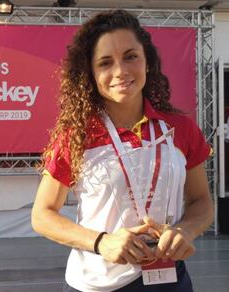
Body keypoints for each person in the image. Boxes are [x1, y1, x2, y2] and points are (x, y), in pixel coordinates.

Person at [31, 9, 214, 292]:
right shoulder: (77, 135)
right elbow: (42, 215)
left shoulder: (181, 128)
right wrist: (102, 241)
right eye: (105, 63)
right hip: (97, 283)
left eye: (131, 56)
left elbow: (201, 201)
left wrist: (184, 231)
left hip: (169, 277)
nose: (120, 71)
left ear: (147, 62)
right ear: (91, 74)